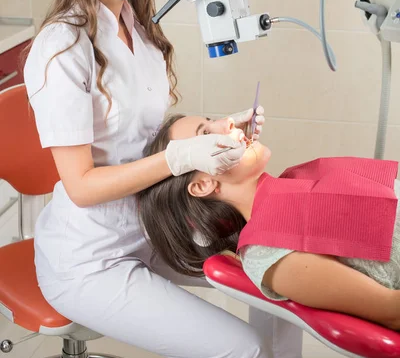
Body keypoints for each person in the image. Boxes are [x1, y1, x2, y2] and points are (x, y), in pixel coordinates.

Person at [24, 0, 304, 358]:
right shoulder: (63, 46)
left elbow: (144, 135)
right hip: (91, 258)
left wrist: (208, 132)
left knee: (278, 284)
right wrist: (180, 158)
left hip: (153, 227)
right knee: (244, 351)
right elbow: (83, 187)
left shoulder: (141, 32)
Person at [138, 113, 400, 331]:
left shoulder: (297, 181)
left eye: (213, 119)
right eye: (206, 134)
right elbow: (393, 311)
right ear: (204, 184)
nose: (228, 122)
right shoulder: (271, 254)